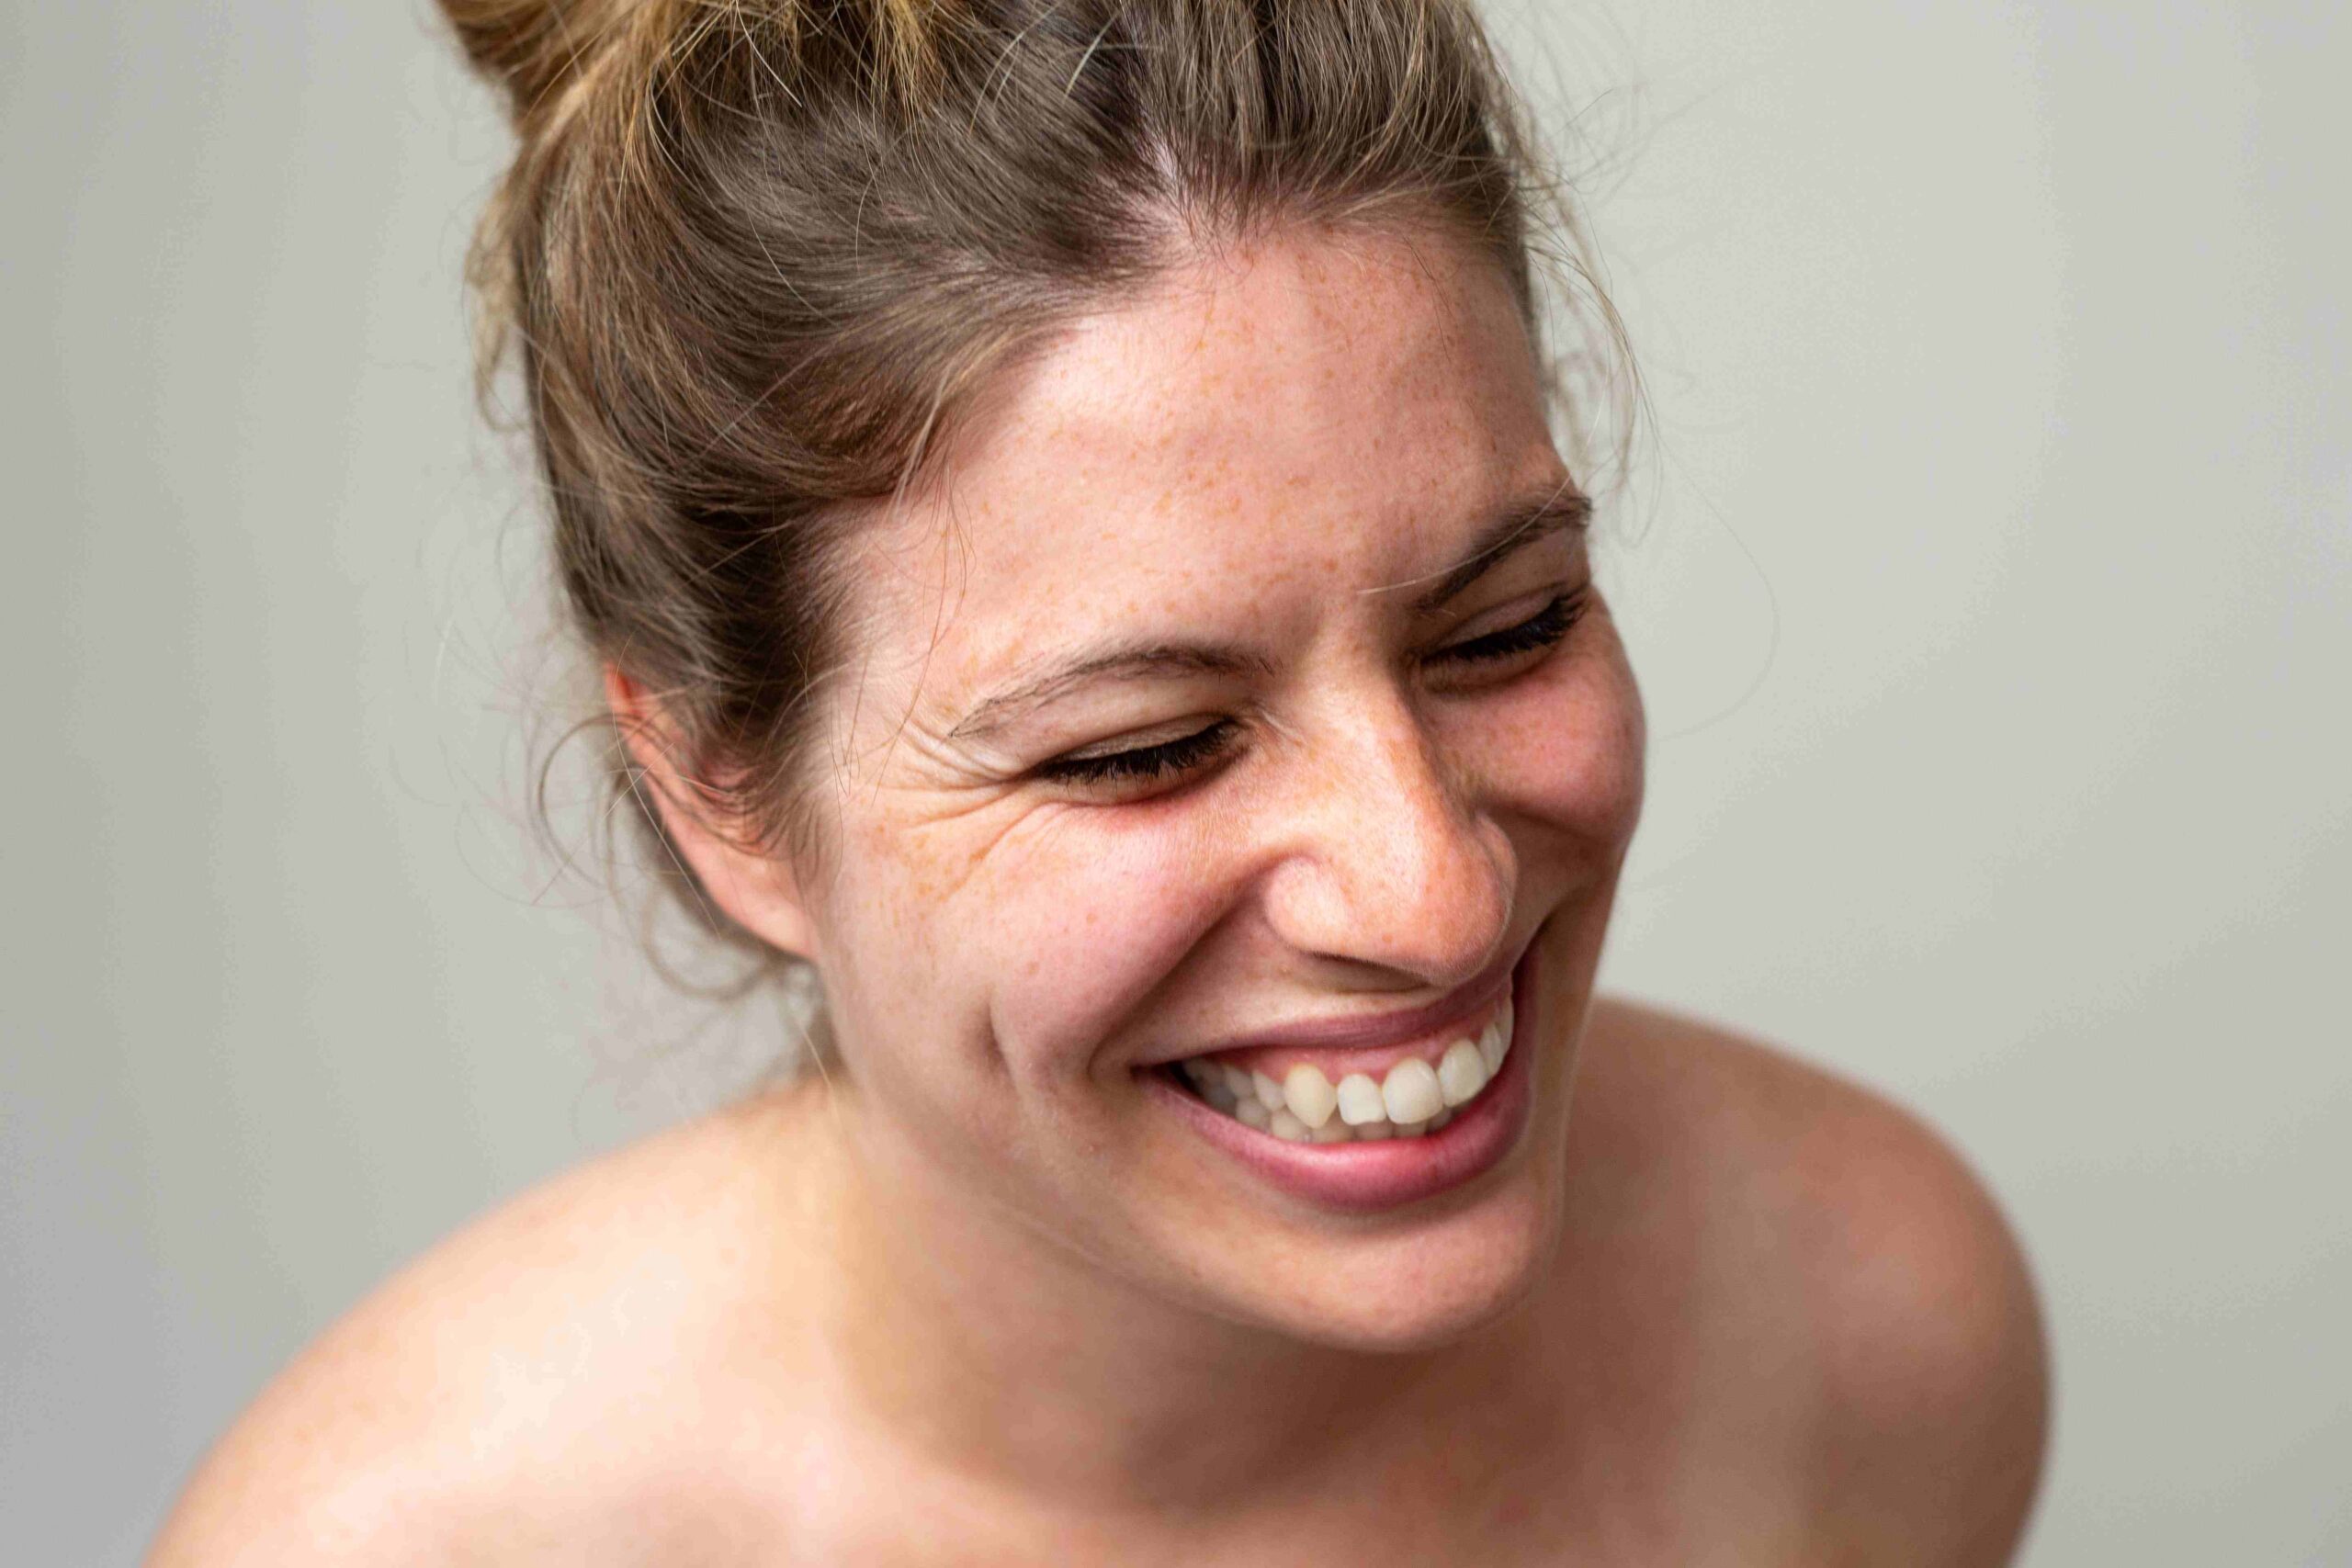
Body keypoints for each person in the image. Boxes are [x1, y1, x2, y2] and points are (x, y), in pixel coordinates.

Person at [151, 0, 2048, 1560]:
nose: (1434, 893)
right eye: (1146, 744)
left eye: (1502, 627)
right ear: (723, 794)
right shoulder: (406, 1537)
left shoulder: (1853, 1332)